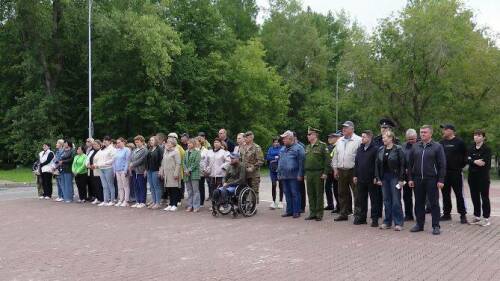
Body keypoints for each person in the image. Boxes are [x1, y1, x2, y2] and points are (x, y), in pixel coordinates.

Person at [408, 125, 446, 235]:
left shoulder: (437, 147)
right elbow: (410, 165)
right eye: (421, 132)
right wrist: (410, 178)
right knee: (419, 203)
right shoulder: (415, 146)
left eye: (425, 132)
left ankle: (436, 226)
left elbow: (442, 164)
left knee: (434, 203)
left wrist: (441, 180)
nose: (422, 134)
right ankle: (419, 225)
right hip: (418, 179)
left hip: (432, 179)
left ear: (430, 134)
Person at [331, 121, 362, 221]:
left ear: (352, 129)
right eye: (343, 127)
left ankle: (358, 214)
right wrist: (335, 169)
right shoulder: (339, 140)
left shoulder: (358, 140)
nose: (343, 129)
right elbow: (335, 155)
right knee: (342, 193)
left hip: (353, 170)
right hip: (341, 170)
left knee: (356, 193)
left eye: (346, 127)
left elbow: (360, 158)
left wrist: (358, 172)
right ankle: (343, 213)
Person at [375, 131, 406, 231]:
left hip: (395, 177)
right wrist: (378, 178)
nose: (383, 139)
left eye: (385, 138)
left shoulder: (398, 149)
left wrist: (401, 179)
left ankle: (398, 223)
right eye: (383, 138)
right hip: (384, 178)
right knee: (386, 200)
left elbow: (402, 165)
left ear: (391, 138)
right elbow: (377, 165)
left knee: (396, 200)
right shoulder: (380, 149)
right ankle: (387, 222)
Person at [439, 124, 468, 224]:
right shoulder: (441, 142)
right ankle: (447, 214)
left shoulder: (459, 142)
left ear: (451, 131)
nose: (443, 131)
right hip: (444, 173)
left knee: (459, 194)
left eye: (445, 129)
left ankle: (463, 215)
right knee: (445, 194)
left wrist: (460, 166)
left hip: (456, 172)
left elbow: (465, 155)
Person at [353, 130, 382, 227]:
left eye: (364, 137)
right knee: (362, 199)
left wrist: (376, 177)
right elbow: (356, 163)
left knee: (374, 200)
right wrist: (355, 175)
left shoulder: (375, 149)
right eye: (362, 136)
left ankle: (374, 219)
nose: (362, 138)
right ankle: (362, 218)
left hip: (371, 179)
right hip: (361, 178)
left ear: (369, 138)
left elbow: (377, 164)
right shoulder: (360, 148)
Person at [277, 130, 305, 219]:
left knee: (295, 193)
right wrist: (279, 173)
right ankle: (289, 211)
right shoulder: (282, 149)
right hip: (284, 176)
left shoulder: (299, 148)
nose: (283, 140)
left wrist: (300, 174)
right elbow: (280, 162)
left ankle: (296, 211)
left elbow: (302, 163)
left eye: (285, 138)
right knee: (287, 193)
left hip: (294, 176)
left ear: (290, 138)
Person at [467, 129, 492, 226]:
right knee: (474, 196)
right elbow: (467, 159)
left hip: (483, 177)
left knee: (484, 197)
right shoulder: (470, 148)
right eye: (475, 135)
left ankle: (486, 218)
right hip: (472, 176)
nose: (476, 137)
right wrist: (474, 161)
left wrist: (472, 160)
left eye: (479, 135)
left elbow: (485, 163)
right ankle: (477, 216)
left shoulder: (487, 149)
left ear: (483, 137)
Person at [304, 127, 329, 221]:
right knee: (310, 193)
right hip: (309, 172)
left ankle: (319, 213)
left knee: (319, 193)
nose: (308, 136)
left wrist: (325, 172)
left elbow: (327, 160)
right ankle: (312, 212)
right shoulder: (307, 146)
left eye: (309, 134)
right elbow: (305, 161)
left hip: (318, 172)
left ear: (315, 135)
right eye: (308, 134)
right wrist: (305, 173)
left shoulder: (322, 145)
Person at [204, 138, 230, 206]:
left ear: (221, 144)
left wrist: (222, 167)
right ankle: (214, 205)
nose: (216, 143)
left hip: (220, 175)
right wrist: (206, 169)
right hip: (212, 175)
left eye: (218, 142)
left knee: (220, 190)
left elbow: (228, 161)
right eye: (215, 142)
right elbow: (205, 162)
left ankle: (222, 204)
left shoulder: (224, 152)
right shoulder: (209, 152)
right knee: (212, 190)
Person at [241, 131, 264, 203]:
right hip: (244, 173)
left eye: (247, 137)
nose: (245, 139)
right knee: (244, 190)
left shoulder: (257, 147)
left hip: (254, 173)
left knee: (254, 190)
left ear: (252, 138)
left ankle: (253, 208)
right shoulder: (242, 147)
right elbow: (240, 159)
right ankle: (245, 206)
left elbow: (261, 161)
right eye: (245, 137)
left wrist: (253, 167)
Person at [160, 138, 182, 211]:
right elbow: (163, 163)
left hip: (173, 173)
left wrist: (176, 173)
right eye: (167, 142)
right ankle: (170, 204)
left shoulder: (176, 152)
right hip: (166, 173)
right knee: (168, 189)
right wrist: (161, 171)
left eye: (169, 143)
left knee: (174, 189)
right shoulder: (165, 152)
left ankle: (174, 204)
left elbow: (178, 164)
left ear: (173, 144)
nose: (167, 144)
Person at [94, 136, 116, 206]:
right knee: (104, 186)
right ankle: (105, 200)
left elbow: (113, 159)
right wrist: (96, 164)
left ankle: (112, 200)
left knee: (110, 185)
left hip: (108, 168)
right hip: (101, 168)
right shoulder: (102, 149)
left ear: (110, 141)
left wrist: (105, 163)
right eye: (104, 140)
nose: (105, 142)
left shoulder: (112, 149)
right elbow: (96, 157)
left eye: (106, 140)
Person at [401, 129, 418, 221]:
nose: (411, 141)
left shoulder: (420, 145)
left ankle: (418, 214)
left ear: (416, 137)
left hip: (417, 175)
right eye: (409, 139)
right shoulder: (403, 146)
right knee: (406, 196)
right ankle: (408, 215)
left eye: (413, 139)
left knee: (419, 196)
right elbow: (401, 159)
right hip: (406, 175)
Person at [129, 135, 148, 208]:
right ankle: (137, 201)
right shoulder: (134, 150)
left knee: (142, 186)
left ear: (142, 142)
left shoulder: (144, 150)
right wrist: (130, 164)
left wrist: (132, 164)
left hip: (141, 170)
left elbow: (141, 159)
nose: (136, 143)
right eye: (135, 142)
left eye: (138, 142)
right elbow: (131, 158)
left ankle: (142, 201)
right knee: (136, 186)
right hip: (134, 170)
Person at [183, 138, 201, 212]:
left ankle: (196, 206)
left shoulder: (197, 152)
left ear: (194, 144)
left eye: (190, 143)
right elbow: (183, 162)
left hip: (194, 173)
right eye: (188, 143)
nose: (188, 144)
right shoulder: (186, 152)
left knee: (195, 190)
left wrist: (189, 169)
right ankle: (190, 205)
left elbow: (196, 163)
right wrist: (185, 169)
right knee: (189, 190)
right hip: (187, 174)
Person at [324, 131, 341, 213]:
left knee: (336, 189)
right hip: (330, 171)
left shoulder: (338, 146)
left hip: (336, 171)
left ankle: (339, 206)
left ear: (337, 138)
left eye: (332, 137)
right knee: (327, 188)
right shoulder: (329, 147)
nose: (329, 139)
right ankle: (330, 204)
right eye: (329, 137)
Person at [146, 136, 163, 209]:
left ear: (156, 141)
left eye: (152, 140)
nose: (151, 141)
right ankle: (154, 201)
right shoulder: (150, 149)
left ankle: (158, 203)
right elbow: (147, 160)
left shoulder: (159, 149)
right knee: (151, 187)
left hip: (156, 170)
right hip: (149, 170)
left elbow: (162, 160)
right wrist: (146, 169)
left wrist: (160, 170)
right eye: (150, 140)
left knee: (157, 186)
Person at [266, 137, 283, 209]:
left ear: (279, 143)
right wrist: (276, 157)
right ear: (273, 143)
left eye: (277, 142)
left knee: (281, 185)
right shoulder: (270, 149)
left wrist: (274, 157)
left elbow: (281, 156)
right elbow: (268, 157)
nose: (276, 143)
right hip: (272, 169)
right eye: (275, 142)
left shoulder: (282, 148)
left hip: (280, 169)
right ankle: (273, 201)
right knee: (273, 184)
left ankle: (281, 202)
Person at [113, 137, 131, 207]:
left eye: (119, 142)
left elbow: (127, 161)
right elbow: (114, 161)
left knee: (125, 186)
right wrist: (114, 171)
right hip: (117, 170)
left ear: (123, 142)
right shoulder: (117, 150)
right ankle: (121, 200)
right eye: (117, 143)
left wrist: (125, 170)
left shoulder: (127, 150)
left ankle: (126, 201)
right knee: (120, 186)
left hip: (123, 170)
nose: (118, 144)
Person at [197, 137, 209, 205]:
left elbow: (207, 161)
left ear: (200, 142)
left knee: (201, 186)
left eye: (196, 141)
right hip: (195, 171)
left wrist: (206, 169)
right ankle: (197, 201)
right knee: (196, 187)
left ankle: (201, 202)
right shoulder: (195, 149)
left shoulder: (205, 150)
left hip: (202, 171)